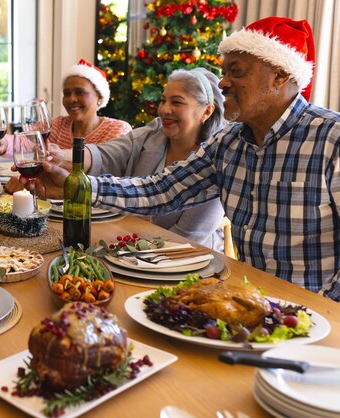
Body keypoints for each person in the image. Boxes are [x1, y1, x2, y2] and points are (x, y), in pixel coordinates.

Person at [25, 17, 340, 301]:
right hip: (251, 302)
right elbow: (158, 191)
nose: (223, 82)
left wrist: (322, 308)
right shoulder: (228, 144)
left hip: (321, 317)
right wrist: (75, 185)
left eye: (237, 72)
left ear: (281, 76)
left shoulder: (332, 138)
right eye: (224, 71)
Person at [49, 68, 226, 248]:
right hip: (127, 246)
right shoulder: (152, 134)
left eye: (177, 102)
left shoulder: (217, 160)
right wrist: (59, 156)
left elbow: (185, 240)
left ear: (206, 111)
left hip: (184, 262)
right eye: (163, 100)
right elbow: (106, 154)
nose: (164, 109)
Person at [0, 59, 131, 156]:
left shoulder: (118, 129)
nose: (71, 99)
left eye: (80, 92)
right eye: (67, 93)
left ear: (99, 97)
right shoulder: (57, 125)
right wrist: (4, 143)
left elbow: (105, 165)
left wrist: (62, 157)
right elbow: (24, 141)